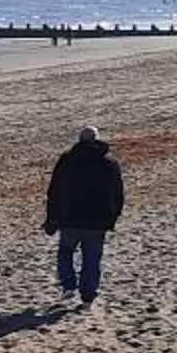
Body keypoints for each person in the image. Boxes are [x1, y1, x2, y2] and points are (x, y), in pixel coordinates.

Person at [42, 125, 124, 305]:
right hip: (98, 221)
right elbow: (117, 193)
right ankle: (87, 296)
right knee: (92, 258)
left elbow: (55, 190)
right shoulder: (108, 163)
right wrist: (113, 217)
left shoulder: (67, 160)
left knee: (65, 251)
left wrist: (52, 216)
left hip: (70, 218)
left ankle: (69, 284)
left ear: (79, 140)